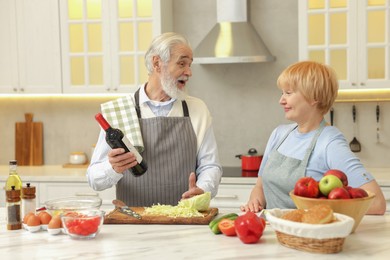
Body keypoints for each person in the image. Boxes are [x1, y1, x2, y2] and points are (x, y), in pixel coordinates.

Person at [87, 32, 222, 207]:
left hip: (185, 220)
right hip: (133, 222)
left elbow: (210, 166)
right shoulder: (119, 111)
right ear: (157, 63)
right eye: (182, 63)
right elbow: (94, 179)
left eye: (190, 65)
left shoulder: (197, 109)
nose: (189, 72)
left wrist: (202, 189)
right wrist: (112, 168)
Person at [241, 61, 386, 215]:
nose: (281, 100)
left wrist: (320, 211)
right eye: (282, 93)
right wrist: (255, 202)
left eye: (288, 93)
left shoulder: (329, 142)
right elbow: (260, 186)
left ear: (313, 97)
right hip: (271, 232)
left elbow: (377, 203)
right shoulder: (279, 134)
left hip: (306, 235)